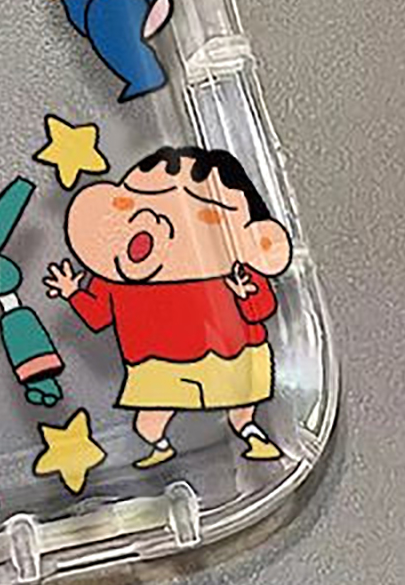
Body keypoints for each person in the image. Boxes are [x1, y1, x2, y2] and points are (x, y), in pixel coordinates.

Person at [45, 146, 293, 467]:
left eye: (203, 214)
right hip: (157, 364)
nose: (154, 220)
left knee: (241, 412)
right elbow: (97, 316)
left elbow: (261, 309)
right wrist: (72, 293)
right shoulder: (116, 279)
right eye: (134, 202)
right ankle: (162, 448)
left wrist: (245, 294)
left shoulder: (233, 269)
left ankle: (252, 436)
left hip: (233, 355)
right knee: (147, 425)